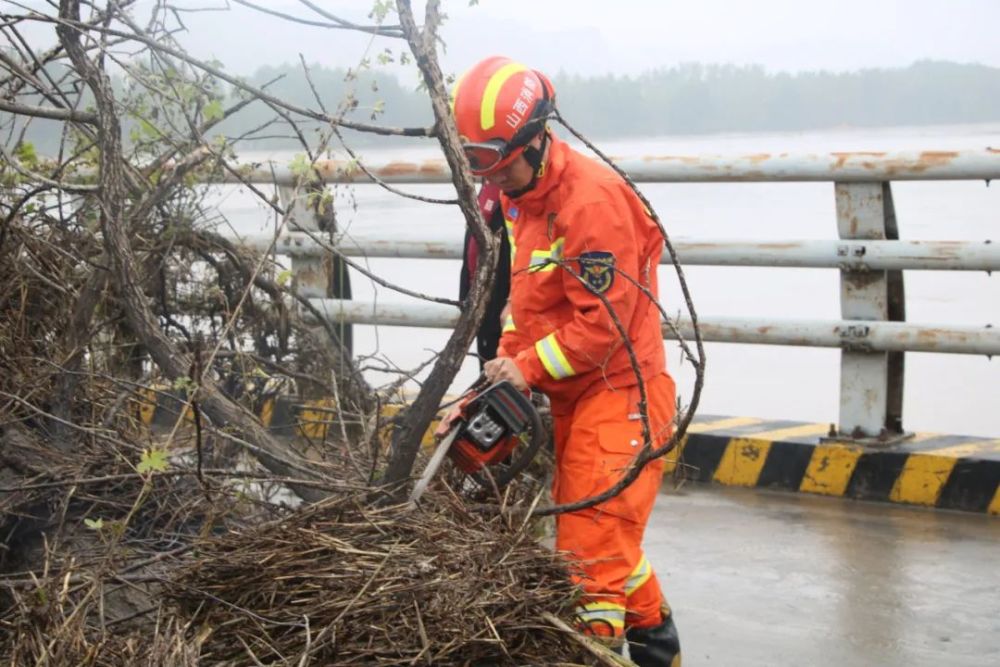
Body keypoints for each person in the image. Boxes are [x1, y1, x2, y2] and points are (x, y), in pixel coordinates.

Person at [451, 56, 682, 666]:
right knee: (612, 545)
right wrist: (499, 377)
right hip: (577, 397)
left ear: (531, 140)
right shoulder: (526, 201)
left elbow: (603, 328)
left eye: (494, 164)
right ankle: (659, 647)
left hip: (622, 395)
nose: (490, 181)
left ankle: (593, 653)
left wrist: (526, 370)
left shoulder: (593, 203)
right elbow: (524, 308)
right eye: (479, 165)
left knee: (587, 562)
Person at [458, 181, 511, 368]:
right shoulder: (488, 187)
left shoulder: (518, 187)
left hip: (508, 309)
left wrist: (513, 301)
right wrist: (466, 297)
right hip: (482, 305)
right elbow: (472, 246)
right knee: (488, 372)